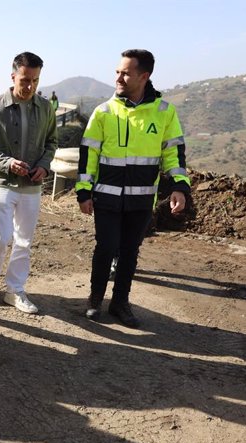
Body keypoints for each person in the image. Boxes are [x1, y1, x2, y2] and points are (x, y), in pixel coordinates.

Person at [76, 49, 190, 328]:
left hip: (142, 199)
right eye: (117, 72)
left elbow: (173, 154)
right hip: (106, 196)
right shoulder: (103, 112)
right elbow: (88, 154)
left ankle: (120, 303)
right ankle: (94, 299)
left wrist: (179, 187)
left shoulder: (164, 112)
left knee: (129, 251)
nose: (119, 77)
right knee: (106, 248)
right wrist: (83, 190)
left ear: (144, 76)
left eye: (126, 73)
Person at [0, 51, 58, 314]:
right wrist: (7, 162)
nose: (30, 86)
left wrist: (44, 166)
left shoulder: (46, 108)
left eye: (35, 80)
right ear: (13, 76)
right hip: (2, 182)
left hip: (32, 187)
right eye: (25, 80)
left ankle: (15, 290)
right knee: (0, 238)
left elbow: (52, 142)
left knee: (24, 240)